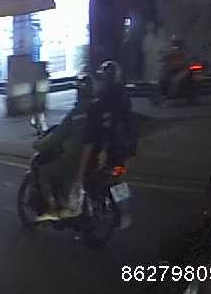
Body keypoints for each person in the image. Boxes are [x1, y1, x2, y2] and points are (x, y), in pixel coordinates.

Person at [32, 75, 94, 222]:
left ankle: (53, 209)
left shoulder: (77, 113)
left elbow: (58, 136)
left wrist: (39, 145)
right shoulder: (97, 109)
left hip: (76, 157)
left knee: (45, 172)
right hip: (95, 157)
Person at [75, 60, 135, 202]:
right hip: (122, 151)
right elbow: (129, 123)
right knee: (117, 176)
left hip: (104, 152)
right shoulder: (123, 97)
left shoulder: (98, 103)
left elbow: (91, 135)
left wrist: (81, 170)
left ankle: (94, 207)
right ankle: (121, 203)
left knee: (88, 179)